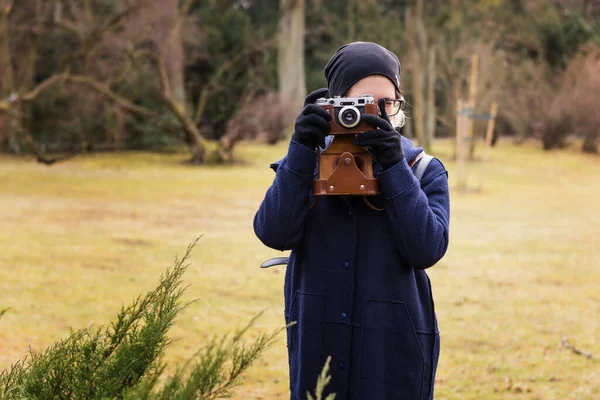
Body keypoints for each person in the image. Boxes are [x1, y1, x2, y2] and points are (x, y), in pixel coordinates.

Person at [254, 42, 450, 400]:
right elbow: (272, 231)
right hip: (318, 342)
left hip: (392, 347)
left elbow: (427, 249)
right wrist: (300, 149)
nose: (375, 113)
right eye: (361, 103)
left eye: (385, 103)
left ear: (398, 105)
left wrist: (393, 167)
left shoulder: (420, 169)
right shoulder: (307, 163)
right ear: (335, 104)